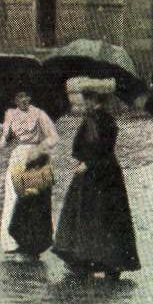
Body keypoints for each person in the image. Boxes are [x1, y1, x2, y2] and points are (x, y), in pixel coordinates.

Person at [52, 85, 140, 280]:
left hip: (101, 174)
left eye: (89, 101)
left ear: (96, 101)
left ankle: (101, 261)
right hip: (99, 172)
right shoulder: (94, 120)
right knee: (96, 217)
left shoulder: (103, 121)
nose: (86, 105)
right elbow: (79, 147)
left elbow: (101, 147)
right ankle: (96, 260)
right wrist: (85, 159)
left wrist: (88, 162)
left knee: (99, 216)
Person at [0, 86, 58, 257]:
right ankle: (12, 241)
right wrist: (6, 136)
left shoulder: (39, 114)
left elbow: (53, 137)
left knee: (34, 199)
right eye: (20, 96)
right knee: (13, 196)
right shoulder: (10, 114)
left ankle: (36, 241)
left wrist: (40, 148)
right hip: (18, 155)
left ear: (31, 98)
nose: (24, 100)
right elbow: (3, 142)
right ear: (14, 99)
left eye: (27, 96)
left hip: (36, 157)